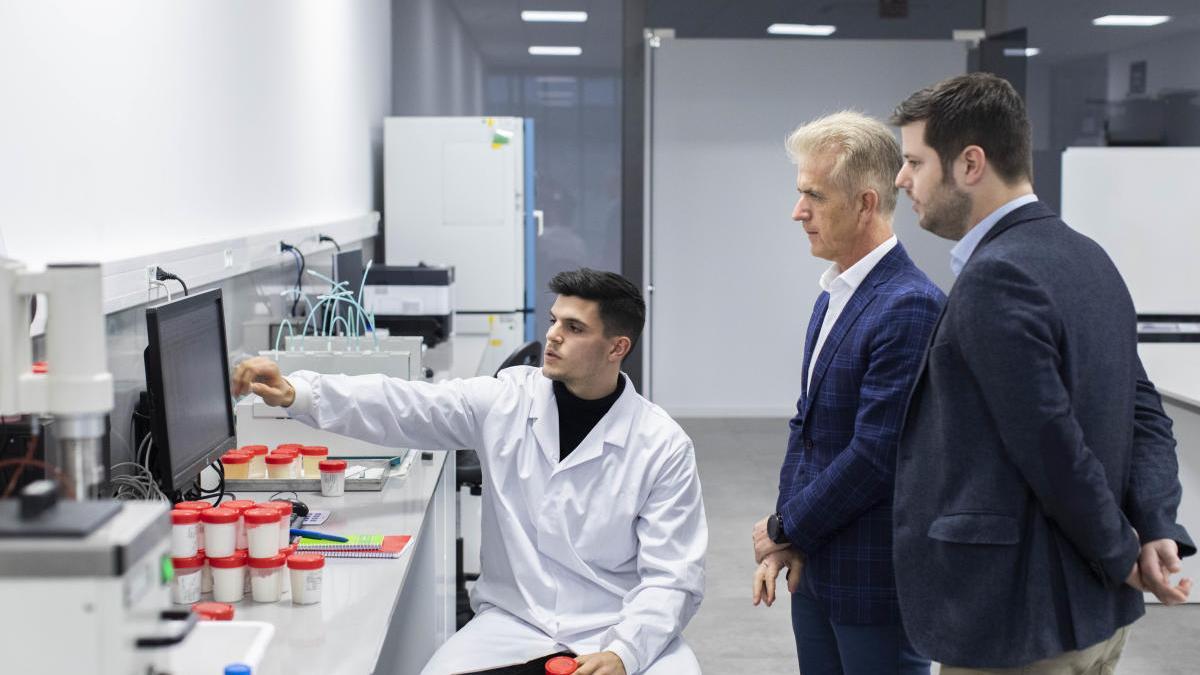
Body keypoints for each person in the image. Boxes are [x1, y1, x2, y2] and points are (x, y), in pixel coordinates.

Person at [232, 269, 706, 675]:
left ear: (616, 347)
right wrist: (299, 392)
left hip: (617, 622)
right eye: (555, 320)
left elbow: (673, 578)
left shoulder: (661, 445)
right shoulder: (507, 400)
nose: (555, 335)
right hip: (514, 621)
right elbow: (402, 404)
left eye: (575, 328)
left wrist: (623, 652)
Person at [890, 72, 1195, 673]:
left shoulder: (996, 277)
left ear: (970, 163)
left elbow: (1052, 447)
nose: (903, 180)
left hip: (1019, 626)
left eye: (914, 162)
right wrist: (1155, 525)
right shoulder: (1089, 257)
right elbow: (1145, 413)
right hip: (1095, 616)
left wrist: (1121, 550)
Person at [750, 110, 944, 674]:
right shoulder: (834, 294)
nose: (798, 211)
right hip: (817, 565)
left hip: (872, 579)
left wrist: (788, 526)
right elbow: (806, 428)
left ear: (864, 203)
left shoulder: (909, 304)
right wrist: (789, 535)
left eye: (814, 195)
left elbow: (876, 453)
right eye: (799, 192)